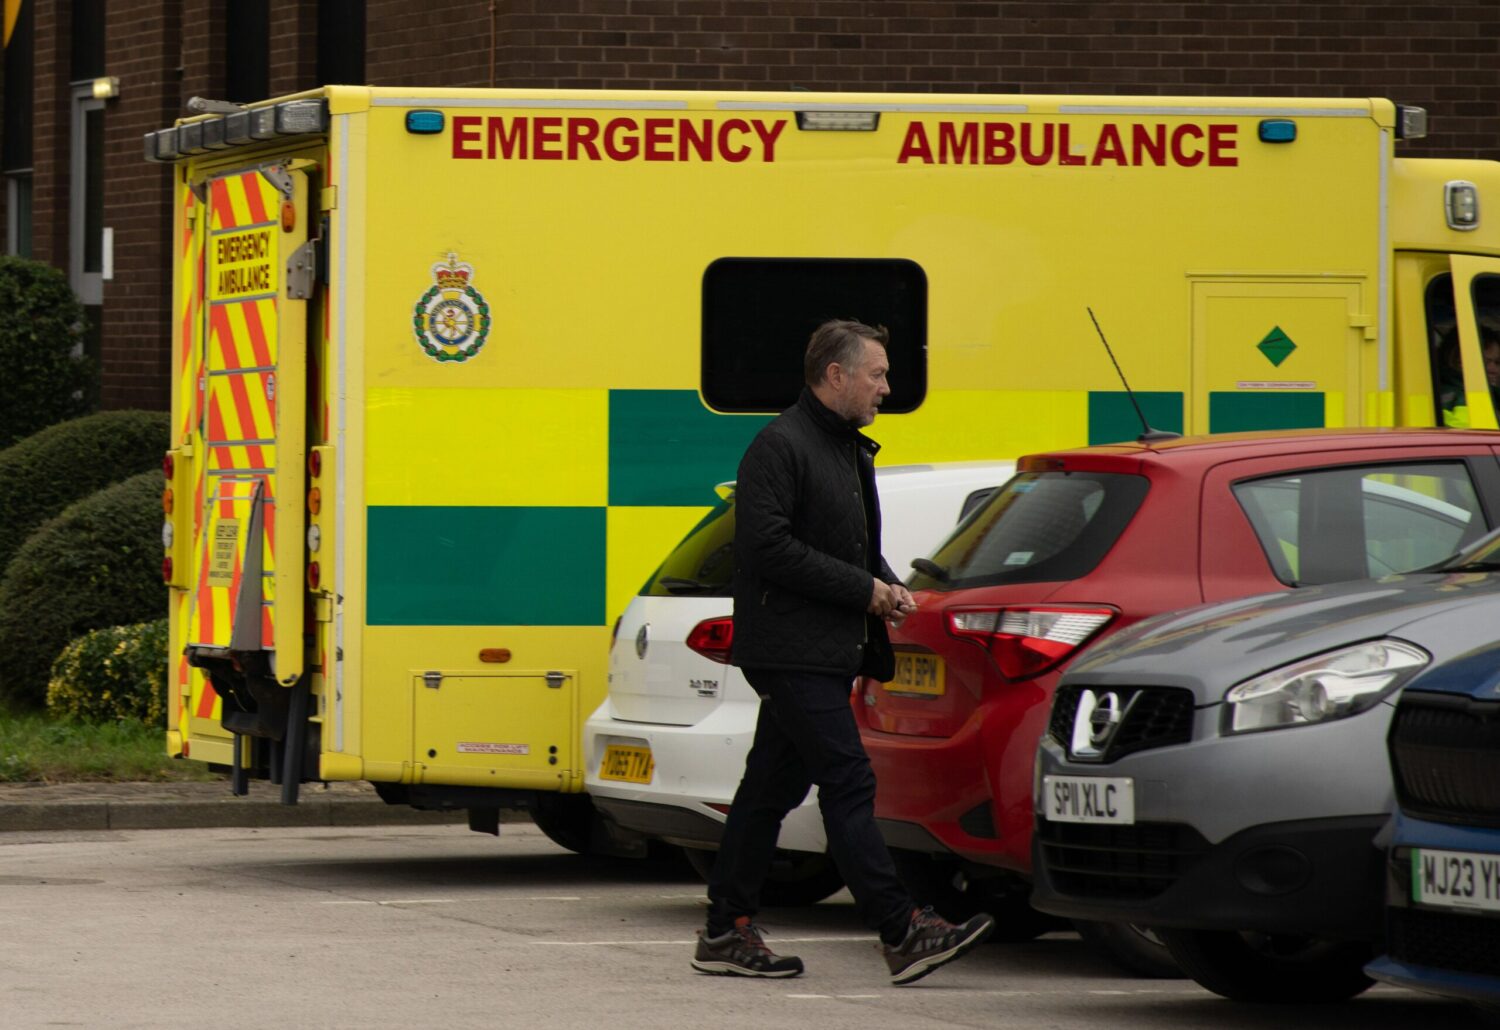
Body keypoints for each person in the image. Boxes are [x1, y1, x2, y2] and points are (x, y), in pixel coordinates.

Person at [690, 319, 994, 985]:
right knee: (849, 780)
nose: (886, 387)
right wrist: (863, 591)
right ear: (836, 376)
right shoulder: (780, 446)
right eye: (877, 374)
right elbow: (766, 547)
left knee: (769, 788)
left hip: (824, 648)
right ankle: (903, 928)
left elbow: (845, 544)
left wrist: (886, 583)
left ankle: (724, 929)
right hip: (791, 648)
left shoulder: (844, 449)